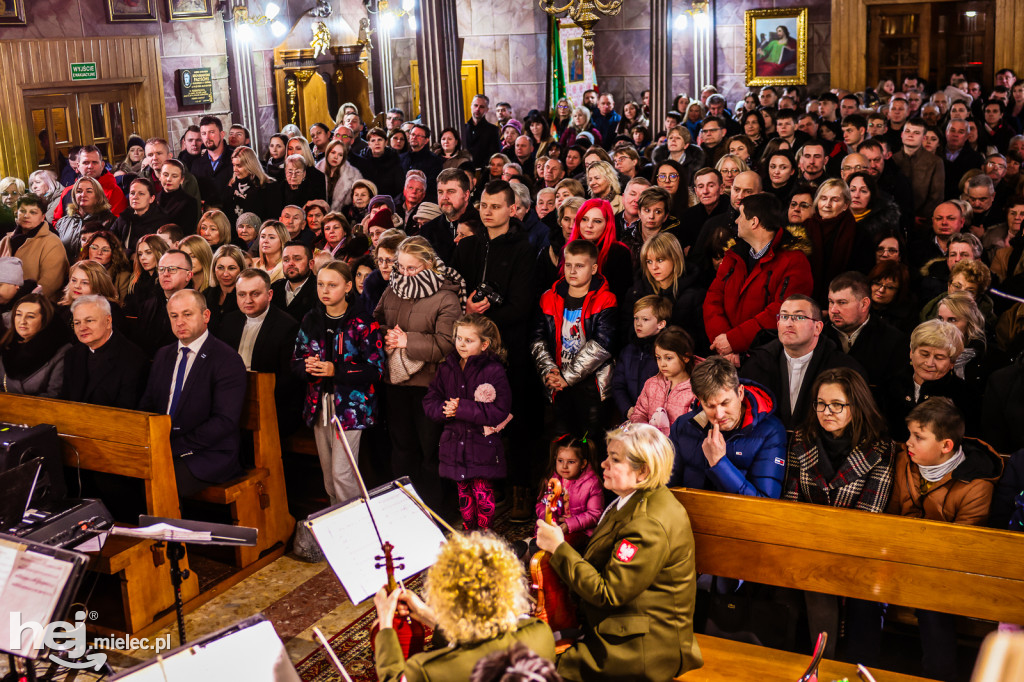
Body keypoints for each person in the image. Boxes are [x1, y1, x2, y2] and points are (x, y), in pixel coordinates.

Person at [535, 422, 703, 680]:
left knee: (531, 667)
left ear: (643, 471)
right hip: (623, 625)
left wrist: (558, 548)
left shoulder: (648, 524)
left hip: (640, 649)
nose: (603, 464)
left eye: (614, 459)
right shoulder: (634, 498)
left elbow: (608, 593)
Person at [785, 367, 895, 664]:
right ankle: (815, 664)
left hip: (857, 547)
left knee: (851, 589)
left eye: (837, 405)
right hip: (808, 544)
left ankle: (838, 664)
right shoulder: (801, 439)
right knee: (809, 577)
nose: (826, 411)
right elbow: (791, 502)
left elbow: (868, 514)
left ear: (856, 405)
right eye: (820, 403)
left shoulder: (879, 448)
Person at [888, 398, 1002, 682]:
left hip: (945, 568)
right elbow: (890, 514)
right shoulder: (904, 460)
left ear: (946, 446)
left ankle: (939, 675)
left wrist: (915, 537)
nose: (908, 442)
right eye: (910, 434)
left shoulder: (976, 486)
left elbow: (960, 547)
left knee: (932, 600)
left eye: (918, 437)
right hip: (901, 553)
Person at [374, 532, 555, 682]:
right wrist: (423, 614)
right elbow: (483, 644)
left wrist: (385, 621)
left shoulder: (429, 671)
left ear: (444, 603)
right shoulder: (540, 633)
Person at [374, 236, 462, 512]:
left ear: (428, 265)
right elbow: (375, 322)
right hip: (397, 382)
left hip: (431, 385)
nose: (404, 274)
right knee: (402, 447)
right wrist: (385, 335)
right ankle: (404, 508)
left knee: (431, 451)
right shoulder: (391, 290)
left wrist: (406, 341)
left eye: (412, 268)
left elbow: (447, 344)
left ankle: (435, 511)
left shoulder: (446, 296)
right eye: (400, 267)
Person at [139, 289, 248, 495]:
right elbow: (148, 405)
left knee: (162, 481)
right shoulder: (164, 355)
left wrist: (173, 447)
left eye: (187, 314)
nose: (180, 322)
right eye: (174, 316)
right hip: (163, 446)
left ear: (206, 316)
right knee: (121, 475)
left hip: (209, 453)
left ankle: (165, 528)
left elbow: (224, 421)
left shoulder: (226, 359)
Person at [293, 261, 383, 506]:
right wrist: (307, 368)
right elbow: (297, 358)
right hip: (319, 403)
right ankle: (337, 527)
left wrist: (336, 370)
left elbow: (375, 369)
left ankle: (358, 530)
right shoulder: (311, 318)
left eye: (332, 285)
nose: (325, 290)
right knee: (329, 479)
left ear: (348, 287)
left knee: (342, 475)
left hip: (351, 407)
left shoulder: (362, 322)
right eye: (321, 284)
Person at [423, 314, 511, 531]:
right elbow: (431, 399)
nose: (461, 344)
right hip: (454, 443)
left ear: (484, 344)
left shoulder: (493, 370)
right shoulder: (447, 367)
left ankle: (485, 531)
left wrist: (461, 408)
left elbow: (500, 410)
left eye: (468, 340)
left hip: (482, 445)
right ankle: (470, 529)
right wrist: (445, 409)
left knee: (482, 490)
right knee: (463, 491)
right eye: (458, 338)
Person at [703, 192, 813, 358]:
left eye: (741, 215)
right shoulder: (733, 255)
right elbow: (713, 298)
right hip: (726, 353)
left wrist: (734, 341)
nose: (736, 221)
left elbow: (782, 311)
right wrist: (723, 342)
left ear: (754, 222)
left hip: (765, 358)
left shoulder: (794, 261)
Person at [532, 239, 616, 444]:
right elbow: (538, 339)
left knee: (590, 442)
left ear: (594, 268)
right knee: (561, 443)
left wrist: (567, 377)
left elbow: (603, 344)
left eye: (579, 266)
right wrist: (549, 371)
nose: (572, 271)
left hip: (592, 387)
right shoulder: (548, 298)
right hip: (558, 385)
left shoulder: (606, 299)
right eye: (568, 265)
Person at [670, 355, 787, 497]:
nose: (719, 414)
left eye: (725, 403)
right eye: (710, 406)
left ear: (740, 392)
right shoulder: (683, 426)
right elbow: (666, 487)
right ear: (698, 400)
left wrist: (719, 463)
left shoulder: (771, 432)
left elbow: (765, 505)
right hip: (685, 516)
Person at [740, 294, 864, 428]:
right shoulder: (757, 363)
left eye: (799, 317)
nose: (788, 323)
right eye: (784, 316)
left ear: (818, 328)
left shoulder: (844, 368)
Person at [824, 272, 910, 393]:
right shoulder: (818, 336)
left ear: (864, 304)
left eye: (842, 303)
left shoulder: (894, 341)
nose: (833, 310)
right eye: (831, 302)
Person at [61, 295, 148, 408]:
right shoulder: (72, 354)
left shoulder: (134, 359)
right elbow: (64, 401)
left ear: (108, 321)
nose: (82, 328)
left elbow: (127, 412)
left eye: (89, 320)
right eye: (77, 323)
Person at [532, 434, 602, 549]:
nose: (564, 466)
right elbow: (542, 504)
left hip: (580, 531)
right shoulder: (552, 479)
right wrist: (550, 519)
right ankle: (530, 550)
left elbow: (594, 514)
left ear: (583, 464)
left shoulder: (592, 483)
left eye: (571, 462)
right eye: (560, 460)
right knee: (540, 539)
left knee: (558, 545)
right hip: (556, 526)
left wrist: (568, 525)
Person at [0, 293, 72, 397]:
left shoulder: (61, 351)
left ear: (44, 320)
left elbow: (54, 395)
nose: (22, 321)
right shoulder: (7, 344)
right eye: (18, 314)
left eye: (30, 316)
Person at [629, 326, 697, 435]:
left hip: (679, 450)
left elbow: (693, 428)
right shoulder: (651, 384)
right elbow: (639, 414)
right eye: (658, 357)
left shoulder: (697, 389)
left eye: (668, 358)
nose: (662, 364)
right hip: (651, 446)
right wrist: (647, 433)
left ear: (686, 357)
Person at [0, 194, 68, 300]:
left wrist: (20, 301)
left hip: (37, 305)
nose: (26, 215)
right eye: (22, 211)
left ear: (43, 217)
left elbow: (49, 284)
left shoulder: (52, 243)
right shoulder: (6, 240)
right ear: (16, 213)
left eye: (33, 212)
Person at [612, 295, 668, 418]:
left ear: (661, 324)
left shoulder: (668, 352)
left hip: (658, 419)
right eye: (636, 318)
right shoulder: (628, 351)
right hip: (632, 417)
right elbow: (618, 385)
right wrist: (627, 409)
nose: (638, 324)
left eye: (645, 319)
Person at [54, 177, 117, 261]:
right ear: (74, 195)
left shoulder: (110, 221)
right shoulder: (63, 222)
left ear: (98, 196)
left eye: (89, 191)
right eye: (79, 191)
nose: (83, 195)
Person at [191, 115, 237, 209]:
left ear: (222, 134)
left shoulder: (235, 158)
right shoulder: (197, 164)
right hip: (209, 217)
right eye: (203, 133)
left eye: (211, 132)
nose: (207, 137)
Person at [228, 146, 281, 222]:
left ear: (250, 165)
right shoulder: (232, 184)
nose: (235, 169)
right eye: (233, 165)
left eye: (239, 166)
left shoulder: (268, 186)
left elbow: (273, 218)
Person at [270, 241, 318, 321]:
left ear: (311, 264)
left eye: (297, 259)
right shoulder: (274, 288)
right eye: (286, 260)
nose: (290, 263)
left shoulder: (320, 289)